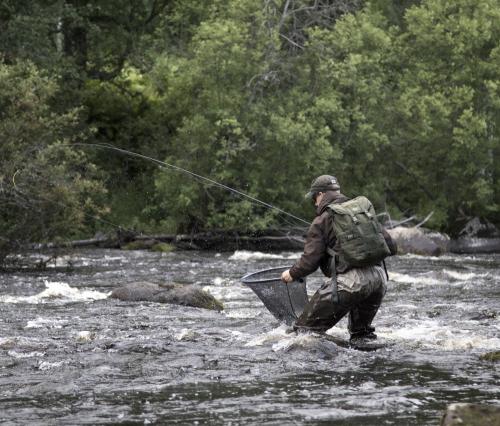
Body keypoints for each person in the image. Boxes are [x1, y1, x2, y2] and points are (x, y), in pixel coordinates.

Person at [281, 175, 397, 342]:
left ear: (321, 194)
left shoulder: (321, 220)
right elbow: (392, 247)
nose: (315, 202)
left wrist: (291, 274)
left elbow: (309, 262)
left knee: (304, 334)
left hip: (350, 284)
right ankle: (369, 365)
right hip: (379, 280)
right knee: (361, 336)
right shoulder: (361, 212)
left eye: (314, 197)